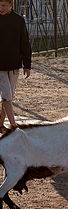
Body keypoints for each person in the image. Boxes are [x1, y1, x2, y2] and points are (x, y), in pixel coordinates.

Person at [0, 0, 31, 133]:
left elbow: (25, 43)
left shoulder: (18, 21)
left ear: (11, 5)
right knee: (6, 95)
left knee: (9, 96)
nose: (0, 8)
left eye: (3, 5)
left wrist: (27, 65)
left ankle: (0, 124)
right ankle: (14, 127)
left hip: (14, 66)